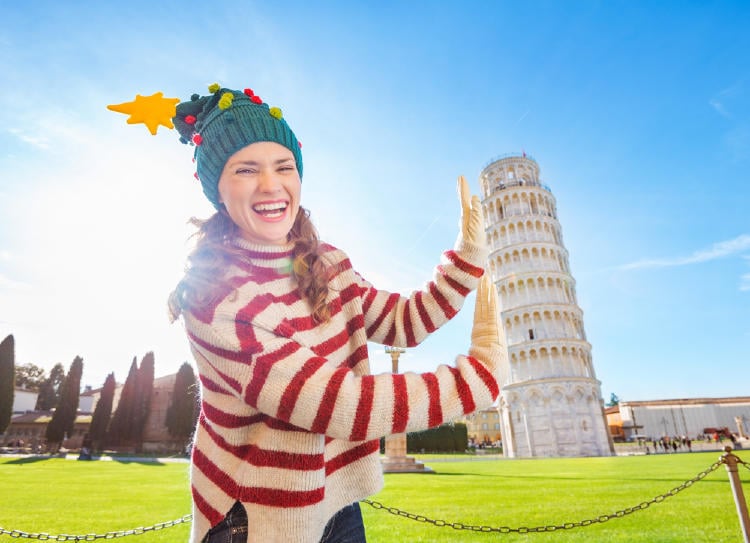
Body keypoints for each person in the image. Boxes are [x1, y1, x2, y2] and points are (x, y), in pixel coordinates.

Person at [167, 84, 504, 543]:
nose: (270, 185)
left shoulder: (326, 262)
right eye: (246, 169)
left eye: (283, 166)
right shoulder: (213, 298)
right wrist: (478, 379)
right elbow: (338, 404)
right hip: (255, 519)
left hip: (333, 501)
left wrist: (465, 263)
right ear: (217, 190)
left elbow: (403, 322)